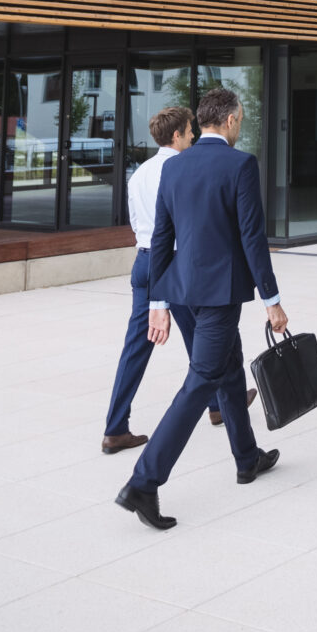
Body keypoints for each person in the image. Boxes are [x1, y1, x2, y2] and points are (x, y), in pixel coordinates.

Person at [115, 87, 286, 531]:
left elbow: (160, 241)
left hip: (183, 289)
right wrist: (273, 301)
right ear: (228, 121)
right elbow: (252, 239)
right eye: (241, 119)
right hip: (219, 293)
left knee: (229, 368)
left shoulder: (173, 167)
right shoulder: (241, 164)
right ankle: (143, 482)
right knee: (201, 381)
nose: (241, 126)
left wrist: (158, 301)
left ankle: (246, 457)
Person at [102, 106, 196, 454]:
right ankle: (220, 406)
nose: (193, 136)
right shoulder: (179, 169)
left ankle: (114, 429)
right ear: (177, 135)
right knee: (206, 338)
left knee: (136, 348)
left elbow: (135, 221)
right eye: (190, 131)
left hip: (143, 260)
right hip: (171, 262)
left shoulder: (138, 173)